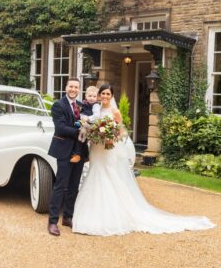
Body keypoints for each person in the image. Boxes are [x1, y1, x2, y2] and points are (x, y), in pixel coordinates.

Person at [72, 84, 215, 236]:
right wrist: (93, 133)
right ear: (99, 95)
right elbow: (87, 127)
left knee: (109, 176)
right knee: (95, 174)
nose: (105, 96)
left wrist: (109, 137)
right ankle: (94, 213)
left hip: (108, 150)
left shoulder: (115, 111)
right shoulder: (95, 110)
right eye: (103, 94)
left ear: (112, 96)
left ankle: (119, 214)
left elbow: (121, 132)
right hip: (96, 149)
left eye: (108, 94)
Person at [47, 77, 88, 236]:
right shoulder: (58, 105)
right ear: (66, 87)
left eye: (76, 87)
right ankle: (52, 221)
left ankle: (68, 217)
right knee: (60, 185)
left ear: (79, 89)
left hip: (79, 151)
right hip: (64, 150)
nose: (73, 89)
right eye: (71, 86)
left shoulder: (81, 106)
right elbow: (61, 127)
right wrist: (82, 131)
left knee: (73, 186)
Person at [70, 86, 101, 163]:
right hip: (83, 121)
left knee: (79, 133)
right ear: (86, 96)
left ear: (97, 97)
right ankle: (83, 154)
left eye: (94, 96)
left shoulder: (96, 105)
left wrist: (88, 118)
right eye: (90, 96)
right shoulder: (84, 103)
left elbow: (97, 116)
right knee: (73, 128)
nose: (92, 98)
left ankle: (77, 154)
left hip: (90, 123)